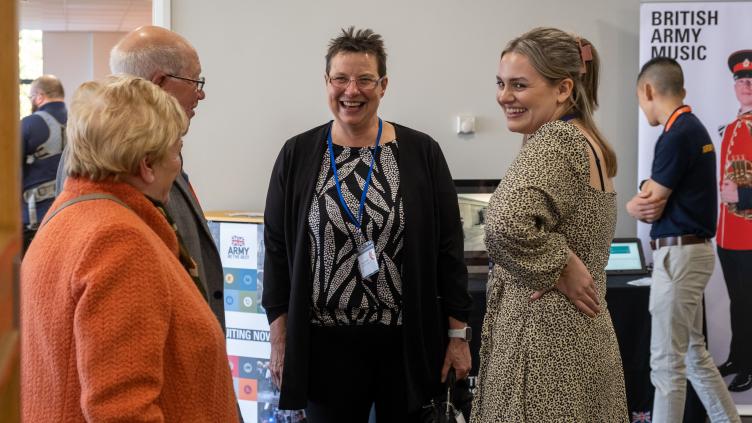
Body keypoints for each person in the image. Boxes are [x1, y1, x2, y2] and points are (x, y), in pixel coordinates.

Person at [262, 27, 473, 422]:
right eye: (340, 78)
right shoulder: (298, 154)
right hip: (325, 345)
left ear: (383, 85)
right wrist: (280, 336)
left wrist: (457, 336)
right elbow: (275, 249)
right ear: (326, 82)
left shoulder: (421, 152)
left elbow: (449, 249)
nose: (351, 91)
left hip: (405, 343)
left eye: (364, 79)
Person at [21, 75, 238, 422]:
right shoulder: (118, 240)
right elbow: (121, 410)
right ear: (146, 166)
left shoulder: (71, 215)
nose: (177, 163)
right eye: (176, 149)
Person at [472, 27, 627, 422]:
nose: (504, 96)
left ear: (563, 89)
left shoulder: (557, 140)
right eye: (501, 83)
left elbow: (505, 221)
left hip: (542, 349)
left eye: (519, 85)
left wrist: (557, 265)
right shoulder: (586, 138)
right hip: (574, 340)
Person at [54, 26, 226, 330]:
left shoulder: (156, 145)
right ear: (160, 82)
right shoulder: (101, 159)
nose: (201, 93)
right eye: (195, 80)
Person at [627, 57, 740, 422]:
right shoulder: (690, 128)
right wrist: (648, 190)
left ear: (647, 91)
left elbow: (651, 205)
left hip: (679, 256)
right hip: (690, 254)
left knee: (666, 364)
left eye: (640, 100)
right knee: (693, 355)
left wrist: (637, 200)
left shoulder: (677, 134)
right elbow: (656, 191)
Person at [716, 49, 752, 393]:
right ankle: (737, 357)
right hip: (728, 235)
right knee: (737, 302)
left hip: (750, 237)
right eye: (742, 79)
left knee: (748, 304)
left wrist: (741, 197)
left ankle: (749, 365)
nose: (747, 84)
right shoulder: (735, 124)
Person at [21, 75, 67, 254]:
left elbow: (8, 170)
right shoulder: (79, 123)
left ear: (39, 96)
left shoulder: (28, 124)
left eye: (31, 98)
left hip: (34, 217)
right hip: (69, 212)